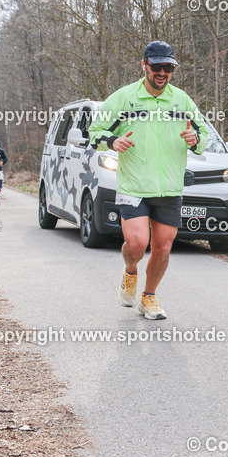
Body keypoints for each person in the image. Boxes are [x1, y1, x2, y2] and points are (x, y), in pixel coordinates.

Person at [89, 40, 209, 320]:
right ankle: (130, 273)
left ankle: (149, 297)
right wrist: (112, 140)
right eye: (156, 66)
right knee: (136, 244)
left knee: (163, 247)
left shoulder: (181, 100)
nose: (162, 72)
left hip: (168, 187)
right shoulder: (124, 97)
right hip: (133, 186)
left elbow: (203, 133)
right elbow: (94, 131)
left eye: (168, 67)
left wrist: (196, 140)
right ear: (144, 66)